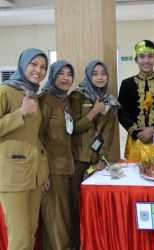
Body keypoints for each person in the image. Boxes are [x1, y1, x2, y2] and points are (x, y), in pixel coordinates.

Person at [0, 48, 49, 250]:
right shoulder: (5, 92)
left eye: (43, 66)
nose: (38, 70)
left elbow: (34, 138)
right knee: (19, 238)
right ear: (23, 64)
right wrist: (20, 112)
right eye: (34, 64)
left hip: (34, 175)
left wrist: (43, 172)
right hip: (13, 177)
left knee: (30, 232)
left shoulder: (31, 94)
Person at [69, 60, 120, 248]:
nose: (100, 77)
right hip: (77, 160)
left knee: (94, 208)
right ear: (88, 76)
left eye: (103, 73)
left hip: (96, 163)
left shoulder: (110, 100)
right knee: (75, 206)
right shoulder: (76, 97)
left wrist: (102, 161)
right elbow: (74, 128)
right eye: (95, 74)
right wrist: (94, 111)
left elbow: (108, 134)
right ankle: (77, 243)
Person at [118, 40, 154, 161]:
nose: (146, 60)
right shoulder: (126, 84)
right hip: (136, 140)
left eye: (150, 56)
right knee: (134, 176)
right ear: (136, 59)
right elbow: (122, 113)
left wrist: (152, 129)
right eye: (141, 56)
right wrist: (137, 132)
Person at [39, 60, 75, 250]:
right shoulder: (46, 99)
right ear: (52, 75)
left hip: (65, 168)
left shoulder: (64, 99)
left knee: (63, 219)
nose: (65, 78)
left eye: (69, 74)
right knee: (57, 222)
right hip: (51, 170)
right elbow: (37, 137)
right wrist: (43, 172)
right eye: (60, 73)